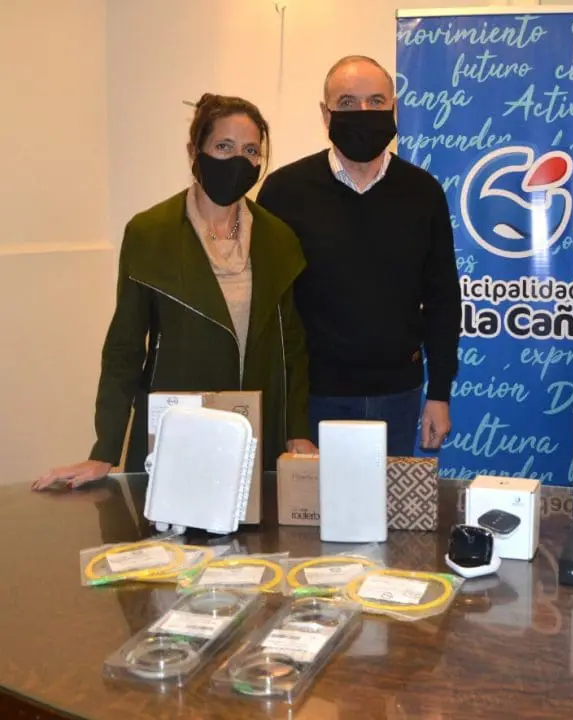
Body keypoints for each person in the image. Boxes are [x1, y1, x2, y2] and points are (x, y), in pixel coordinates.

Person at [34, 93, 315, 490]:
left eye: (251, 150)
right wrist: (105, 450)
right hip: (177, 431)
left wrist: (297, 430)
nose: (238, 160)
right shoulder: (151, 233)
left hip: (257, 434)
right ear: (193, 151)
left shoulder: (278, 238)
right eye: (224, 147)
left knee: (255, 529)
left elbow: (293, 348)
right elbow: (124, 348)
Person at [256, 55, 461, 457]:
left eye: (375, 101)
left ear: (394, 108)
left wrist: (439, 393)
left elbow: (443, 300)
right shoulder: (284, 192)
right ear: (325, 114)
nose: (363, 113)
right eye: (347, 103)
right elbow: (270, 308)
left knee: (388, 500)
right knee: (309, 501)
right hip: (312, 399)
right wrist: (288, 411)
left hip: (398, 396)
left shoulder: (423, 192)